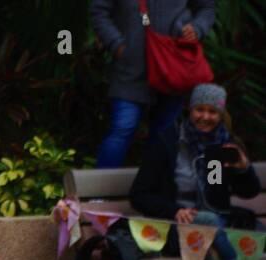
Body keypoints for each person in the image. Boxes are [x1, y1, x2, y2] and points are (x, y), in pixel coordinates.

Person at [128, 83, 263, 260]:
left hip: (215, 231)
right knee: (205, 220)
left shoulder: (224, 146)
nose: (205, 117)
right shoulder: (167, 142)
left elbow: (248, 191)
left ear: (220, 114)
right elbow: (139, 194)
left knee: (211, 243)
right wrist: (173, 209)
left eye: (212, 112)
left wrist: (243, 169)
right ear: (190, 109)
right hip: (177, 231)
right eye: (200, 109)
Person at [91, 0, 216, 168]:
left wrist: (197, 28)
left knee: (163, 134)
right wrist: (118, 45)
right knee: (123, 128)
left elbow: (206, 8)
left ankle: (153, 191)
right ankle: (100, 191)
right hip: (130, 70)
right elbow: (99, 14)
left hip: (173, 68)